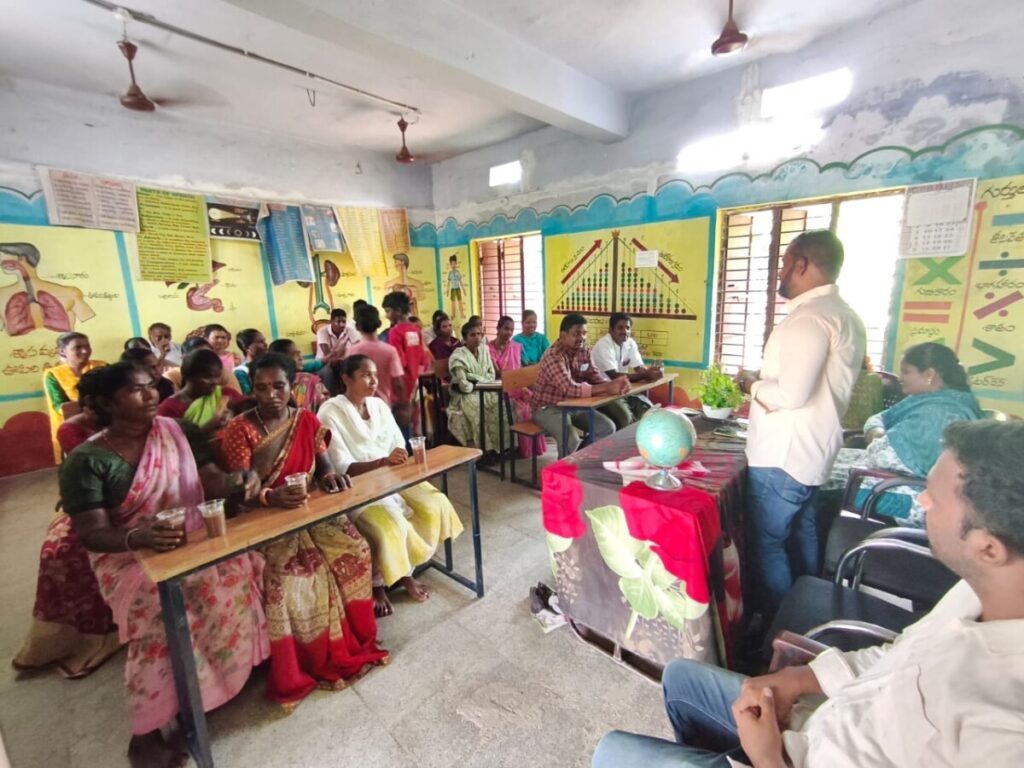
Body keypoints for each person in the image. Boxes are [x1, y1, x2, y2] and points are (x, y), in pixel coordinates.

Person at [592, 419, 1024, 768]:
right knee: (680, 677)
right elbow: (897, 657)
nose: (923, 500)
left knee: (611, 752)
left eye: (937, 499)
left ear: (988, 547)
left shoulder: (1002, 728)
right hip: (817, 720)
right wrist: (797, 680)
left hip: (793, 757)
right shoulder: (976, 594)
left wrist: (767, 757)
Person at [55, 363, 269, 768]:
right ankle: (147, 731)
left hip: (190, 536)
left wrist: (240, 479)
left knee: (241, 569)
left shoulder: (177, 431)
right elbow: (92, 532)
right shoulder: (86, 461)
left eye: (151, 386)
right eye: (136, 390)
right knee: (158, 612)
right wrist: (138, 537)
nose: (150, 394)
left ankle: (226, 677)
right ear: (105, 402)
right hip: (129, 556)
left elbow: (211, 481)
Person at [217, 352, 388, 708]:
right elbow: (240, 497)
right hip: (263, 518)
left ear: (290, 385)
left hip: (309, 510)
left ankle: (354, 638)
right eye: (261, 388)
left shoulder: (305, 420)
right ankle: (306, 660)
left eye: (279, 386)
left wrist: (330, 477)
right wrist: (271, 497)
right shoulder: (241, 429)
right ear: (252, 388)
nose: (271, 395)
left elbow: (324, 467)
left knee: (355, 550)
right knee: (298, 576)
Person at [737, 230, 865, 614]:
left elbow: (791, 395)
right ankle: (809, 609)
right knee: (802, 532)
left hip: (783, 455)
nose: (781, 272)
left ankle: (783, 622)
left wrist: (753, 384)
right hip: (812, 451)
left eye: (784, 263)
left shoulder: (809, 319)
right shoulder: (845, 317)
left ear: (802, 264)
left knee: (769, 542)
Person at [318, 355, 464, 617]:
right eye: (365, 375)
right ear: (346, 379)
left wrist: (394, 460)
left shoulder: (378, 405)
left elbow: (399, 445)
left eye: (375, 374)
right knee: (390, 526)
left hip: (392, 476)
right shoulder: (330, 412)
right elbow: (343, 467)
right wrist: (383, 461)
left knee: (435, 503)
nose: (373, 380)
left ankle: (405, 567)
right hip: (357, 487)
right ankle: (380, 583)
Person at [13, 374, 118, 680]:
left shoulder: (141, 424)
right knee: (58, 549)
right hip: (98, 500)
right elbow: (86, 469)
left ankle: (109, 627)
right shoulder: (73, 430)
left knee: (72, 549)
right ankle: (86, 633)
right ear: (90, 404)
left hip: (132, 502)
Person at [838, 343, 984, 525]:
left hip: (918, 498)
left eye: (906, 372)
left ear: (929, 375)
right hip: (904, 479)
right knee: (831, 462)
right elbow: (877, 419)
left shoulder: (940, 414)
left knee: (823, 480)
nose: (900, 378)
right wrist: (878, 434)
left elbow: (882, 456)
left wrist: (876, 437)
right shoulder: (930, 399)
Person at [528, 313, 630, 456]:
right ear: (563, 336)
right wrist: (607, 387)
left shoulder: (584, 350)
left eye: (584, 333)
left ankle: (577, 460)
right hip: (548, 408)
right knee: (571, 439)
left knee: (607, 428)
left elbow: (594, 376)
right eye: (576, 334)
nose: (581, 338)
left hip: (573, 404)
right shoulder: (553, 356)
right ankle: (563, 473)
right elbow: (569, 388)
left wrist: (614, 385)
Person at [43, 331, 106, 463]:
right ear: (62, 351)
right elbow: (59, 406)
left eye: (87, 346)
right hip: (73, 425)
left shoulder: (102, 367)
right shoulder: (54, 374)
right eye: (77, 347)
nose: (85, 351)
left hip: (105, 423)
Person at [590, 312, 661, 427]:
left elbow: (639, 369)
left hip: (622, 391)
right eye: (620, 328)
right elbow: (614, 376)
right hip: (603, 393)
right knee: (626, 418)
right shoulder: (604, 345)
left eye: (627, 328)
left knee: (647, 409)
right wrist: (646, 374)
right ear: (611, 330)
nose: (625, 331)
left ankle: (637, 439)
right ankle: (622, 441)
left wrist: (653, 372)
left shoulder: (630, 343)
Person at [488, 316, 546, 458]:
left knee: (533, 400)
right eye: (506, 329)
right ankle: (523, 450)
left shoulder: (515, 346)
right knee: (522, 409)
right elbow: (496, 372)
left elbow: (521, 366)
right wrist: (513, 381)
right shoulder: (489, 348)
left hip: (517, 385)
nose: (509, 333)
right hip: (500, 387)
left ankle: (534, 448)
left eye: (512, 330)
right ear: (498, 329)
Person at [157, 349, 246, 436]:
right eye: (208, 377)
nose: (215, 381)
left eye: (217, 376)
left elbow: (250, 412)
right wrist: (210, 425)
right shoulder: (169, 409)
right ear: (188, 376)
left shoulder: (226, 394)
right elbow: (171, 443)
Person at [448, 322, 504, 452]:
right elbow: (464, 386)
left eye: (479, 334)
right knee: (479, 413)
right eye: (472, 335)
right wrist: (479, 383)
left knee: (503, 408)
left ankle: (501, 447)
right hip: (465, 395)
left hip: (486, 390)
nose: (477, 338)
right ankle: (484, 451)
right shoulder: (458, 356)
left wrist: (474, 379)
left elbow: (491, 375)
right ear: (465, 338)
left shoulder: (484, 350)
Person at [347, 305, 406, 404]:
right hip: (384, 405)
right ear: (379, 323)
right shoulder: (389, 351)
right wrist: (404, 404)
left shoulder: (351, 351)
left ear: (357, 327)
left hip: (359, 407)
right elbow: (398, 383)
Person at [382, 290, 426, 406]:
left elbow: (398, 361)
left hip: (400, 381)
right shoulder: (416, 330)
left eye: (388, 311)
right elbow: (422, 357)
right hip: (415, 379)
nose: (386, 315)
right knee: (413, 413)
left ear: (398, 311)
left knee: (400, 414)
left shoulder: (395, 332)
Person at [267, 338, 329, 412]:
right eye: (296, 355)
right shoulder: (308, 380)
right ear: (282, 358)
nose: (301, 358)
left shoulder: (310, 381)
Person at [162, 336, 239, 393]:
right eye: (199, 357)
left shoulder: (223, 373)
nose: (204, 361)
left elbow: (237, 402)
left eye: (209, 355)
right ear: (184, 359)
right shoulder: (171, 377)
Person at [232, 328, 268, 395]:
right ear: (247, 348)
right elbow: (247, 397)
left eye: (264, 341)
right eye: (261, 342)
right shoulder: (240, 372)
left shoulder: (270, 367)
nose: (266, 344)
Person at [445, 253, 465, 321]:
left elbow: (461, 282)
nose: (453, 265)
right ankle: (453, 315)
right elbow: (448, 283)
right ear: (450, 264)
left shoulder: (458, 272)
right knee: (453, 303)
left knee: (460, 302)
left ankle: (462, 314)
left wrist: (463, 290)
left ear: (456, 263)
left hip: (458, 289)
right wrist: (447, 290)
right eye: (451, 264)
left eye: (454, 263)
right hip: (452, 289)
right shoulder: (450, 273)